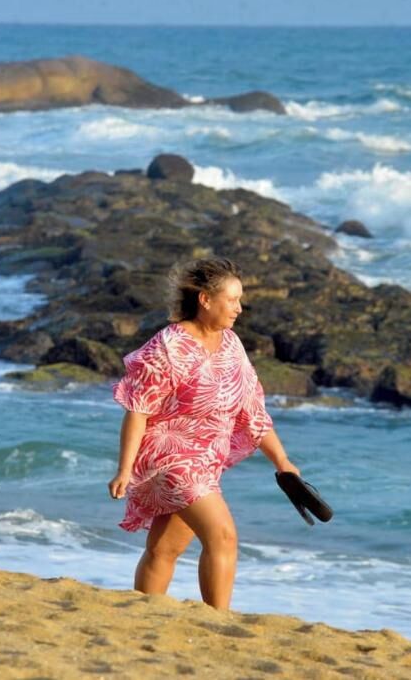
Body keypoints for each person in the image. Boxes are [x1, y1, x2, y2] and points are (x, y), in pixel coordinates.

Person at [108, 258, 301, 610]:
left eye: (240, 300)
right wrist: (124, 469)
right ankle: (219, 620)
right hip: (170, 456)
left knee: (165, 547)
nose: (239, 309)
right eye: (232, 300)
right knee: (223, 535)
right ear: (205, 300)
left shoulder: (231, 345)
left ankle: (140, 613)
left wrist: (283, 461)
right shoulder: (167, 348)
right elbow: (138, 409)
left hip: (207, 459)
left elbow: (252, 410)